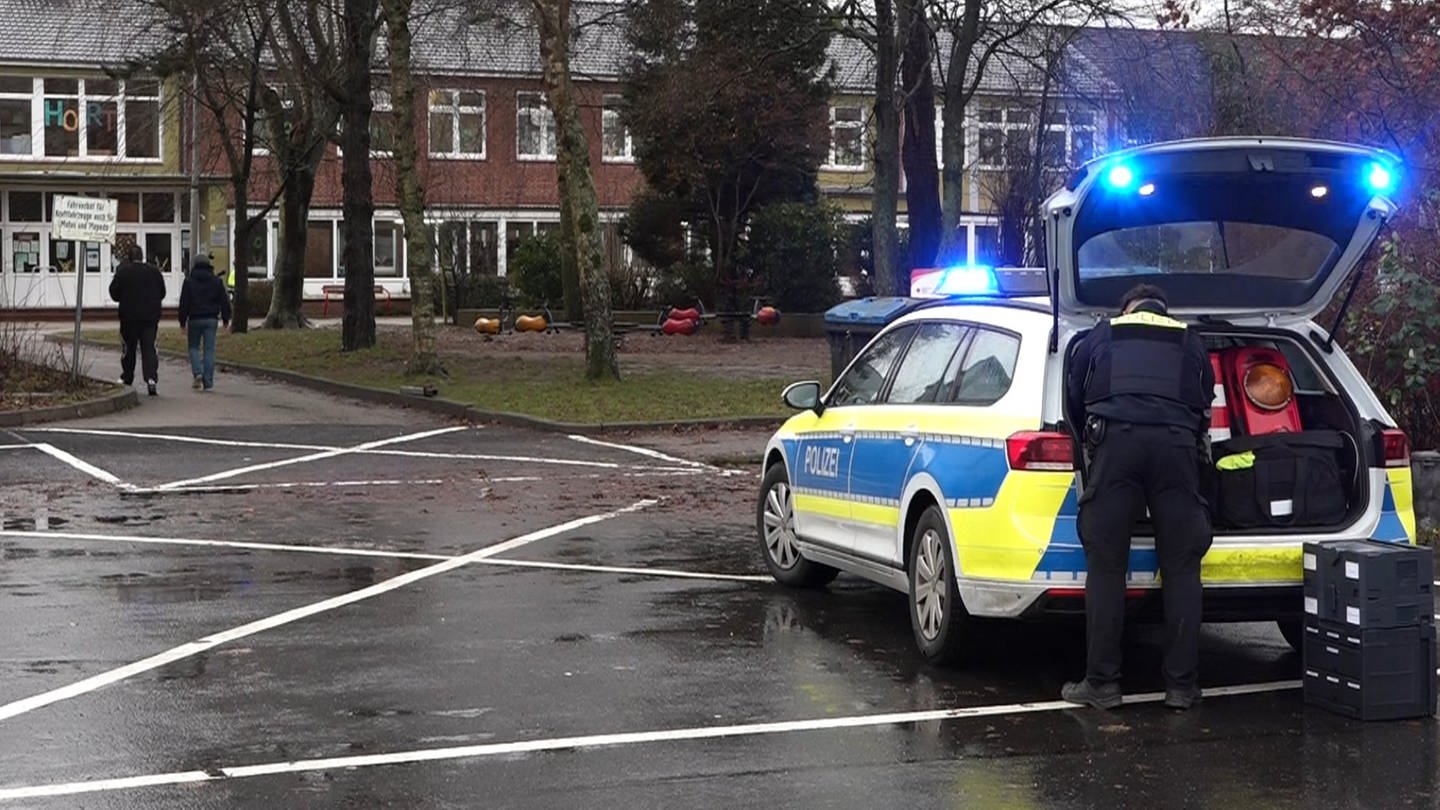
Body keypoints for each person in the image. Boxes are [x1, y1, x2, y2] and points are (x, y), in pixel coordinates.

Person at [1061, 283, 1215, 711]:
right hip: (1177, 451)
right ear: (1164, 310)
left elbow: (1075, 399)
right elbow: (1204, 405)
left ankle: (1103, 684)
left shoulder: (1103, 334)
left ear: (1127, 308)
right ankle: (1182, 688)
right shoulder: (1190, 340)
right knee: (1182, 566)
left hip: (1116, 448)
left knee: (1108, 565)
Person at [108, 243, 166, 397]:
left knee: (129, 349)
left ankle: (127, 377)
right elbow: (162, 292)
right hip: (150, 318)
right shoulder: (154, 272)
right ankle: (151, 379)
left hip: (129, 318)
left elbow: (114, 293)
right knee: (149, 348)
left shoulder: (123, 272)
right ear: (142, 256)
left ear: (129, 258)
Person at [178, 255, 231, 392]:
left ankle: (198, 372)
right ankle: (208, 381)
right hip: (211, 319)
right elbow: (224, 302)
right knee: (209, 350)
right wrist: (226, 320)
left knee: (193, 347)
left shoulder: (189, 281)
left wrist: (182, 322)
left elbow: (184, 303)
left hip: (194, 319)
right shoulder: (216, 281)